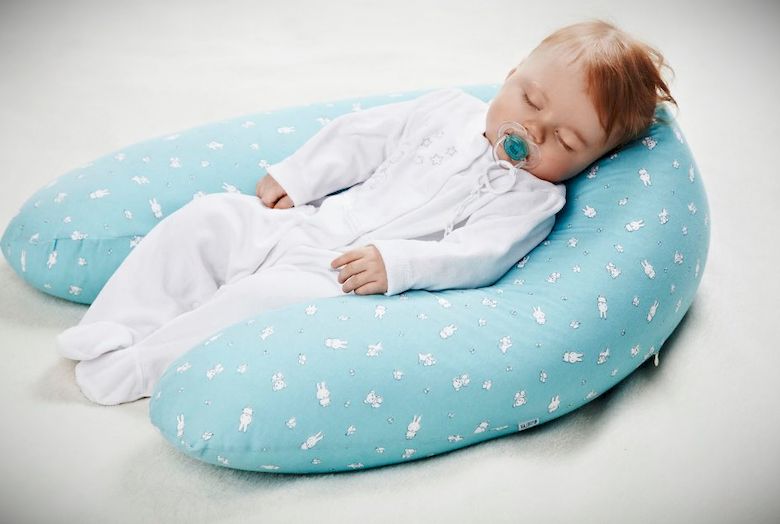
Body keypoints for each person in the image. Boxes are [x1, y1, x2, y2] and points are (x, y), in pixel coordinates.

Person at [55, 19, 676, 405]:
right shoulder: (444, 109)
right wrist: (299, 176)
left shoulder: (534, 200)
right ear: (510, 75)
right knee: (208, 220)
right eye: (529, 100)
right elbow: (361, 137)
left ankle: (146, 364)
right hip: (308, 222)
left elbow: (477, 256)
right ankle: (119, 323)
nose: (532, 131)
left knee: (257, 303)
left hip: (339, 275)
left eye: (565, 140)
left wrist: (398, 264)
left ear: (591, 160)